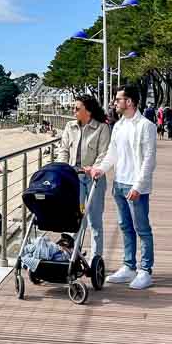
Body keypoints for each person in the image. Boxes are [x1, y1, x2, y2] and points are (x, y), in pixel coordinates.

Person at [86, 85, 157, 290]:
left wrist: (139, 186)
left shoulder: (146, 126)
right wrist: (100, 169)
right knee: (125, 227)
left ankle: (145, 271)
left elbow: (149, 160)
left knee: (142, 229)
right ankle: (129, 267)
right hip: (119, 183)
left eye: (118, 99)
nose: (114, 103)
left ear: (130, 102)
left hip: (135, 186)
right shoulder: (118, 126)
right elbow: (112, 153)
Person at [56, 94, 110, 259]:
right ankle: (73, 255)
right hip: (74, 178)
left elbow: (104, 153)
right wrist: (63, 168)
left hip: (94, 178)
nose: (74, 110)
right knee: (75, 218)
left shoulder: (102, 128)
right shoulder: (70, 127)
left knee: (94, 220)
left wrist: (94, 169)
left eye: (77, 108)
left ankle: (96, 258)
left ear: (88, 111)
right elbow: (63, 150)